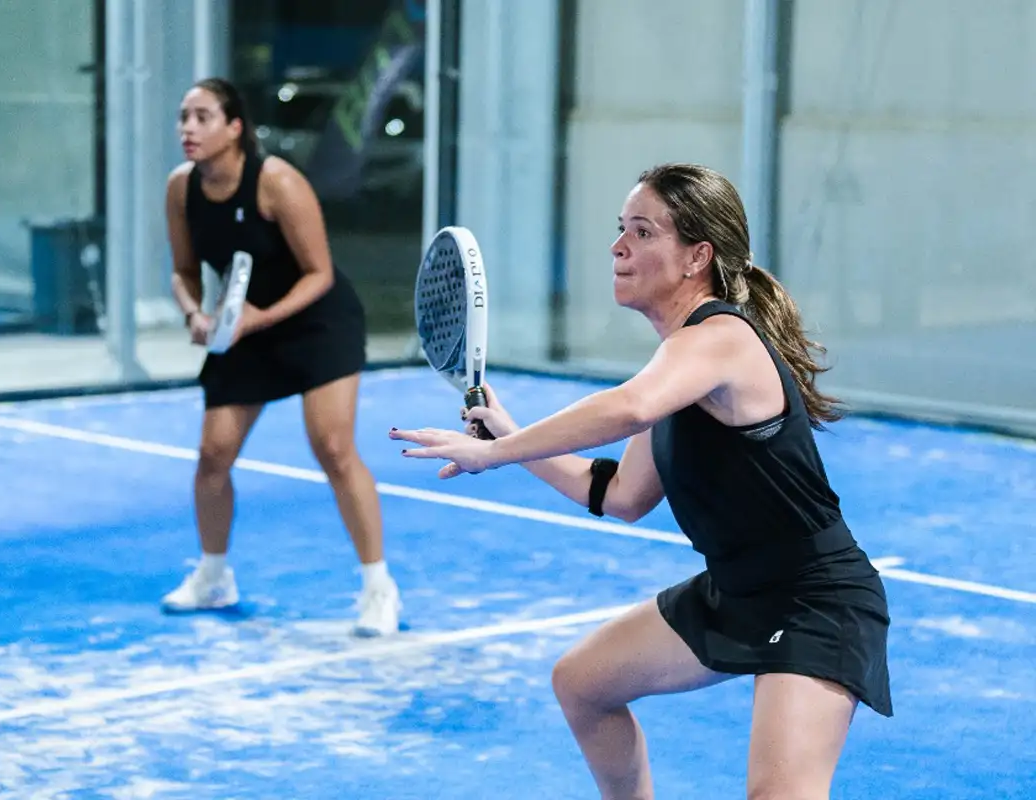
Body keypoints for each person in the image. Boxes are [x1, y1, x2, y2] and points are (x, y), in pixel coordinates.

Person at [389, 163, 891, 798]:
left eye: (643, 231)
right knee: (583, 683)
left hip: (816, 598)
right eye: (620, 228)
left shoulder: (722, 337)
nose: (618, 246)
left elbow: (629, 408)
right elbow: (621, 495)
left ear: (695, 257)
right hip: (735, 590)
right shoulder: (678, 361)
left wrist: (498, 451)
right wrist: (513, 442)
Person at [161, 77, 401, 637]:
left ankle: (377, 587)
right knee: (212, 455)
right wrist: (196, 314)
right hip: (242, 325)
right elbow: (183, 270)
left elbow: (319, 272)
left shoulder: (277, 183)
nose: (188, 130)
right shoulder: (181, 189)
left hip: (318, 321)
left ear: (235, 128)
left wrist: (257, 319)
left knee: (333, 446)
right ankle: (214, 577)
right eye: (183, 118)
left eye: (202, 118)